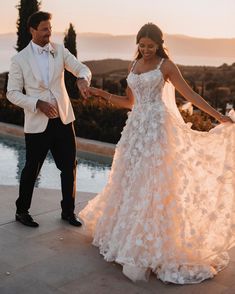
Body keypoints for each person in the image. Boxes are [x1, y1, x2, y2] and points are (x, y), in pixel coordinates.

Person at [79, 23, 235, 284]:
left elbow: (191, 95)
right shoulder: (133, 65)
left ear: (159, 44)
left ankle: (153, 246)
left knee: (154, 185)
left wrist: (217, 115)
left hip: (158, 132)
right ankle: (126, 237)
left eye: (150, 46)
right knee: (130, 182)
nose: (146, 50)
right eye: (142, 45)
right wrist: (100, 93)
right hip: (135, 132)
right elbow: (130, 102)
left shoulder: (167, 66)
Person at [7, 11, 91, 228]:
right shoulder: (19, 60)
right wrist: (37, 104)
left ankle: (68, 212)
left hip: (63, 120)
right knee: (31, 169)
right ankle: (22, 211)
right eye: (44, 29)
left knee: (69, 167)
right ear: (32, 30)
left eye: (50, 29)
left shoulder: (60, 51)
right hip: (37, 122)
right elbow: (12, 93)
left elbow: (81, 68)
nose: (48, 33)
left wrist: (82, 79)